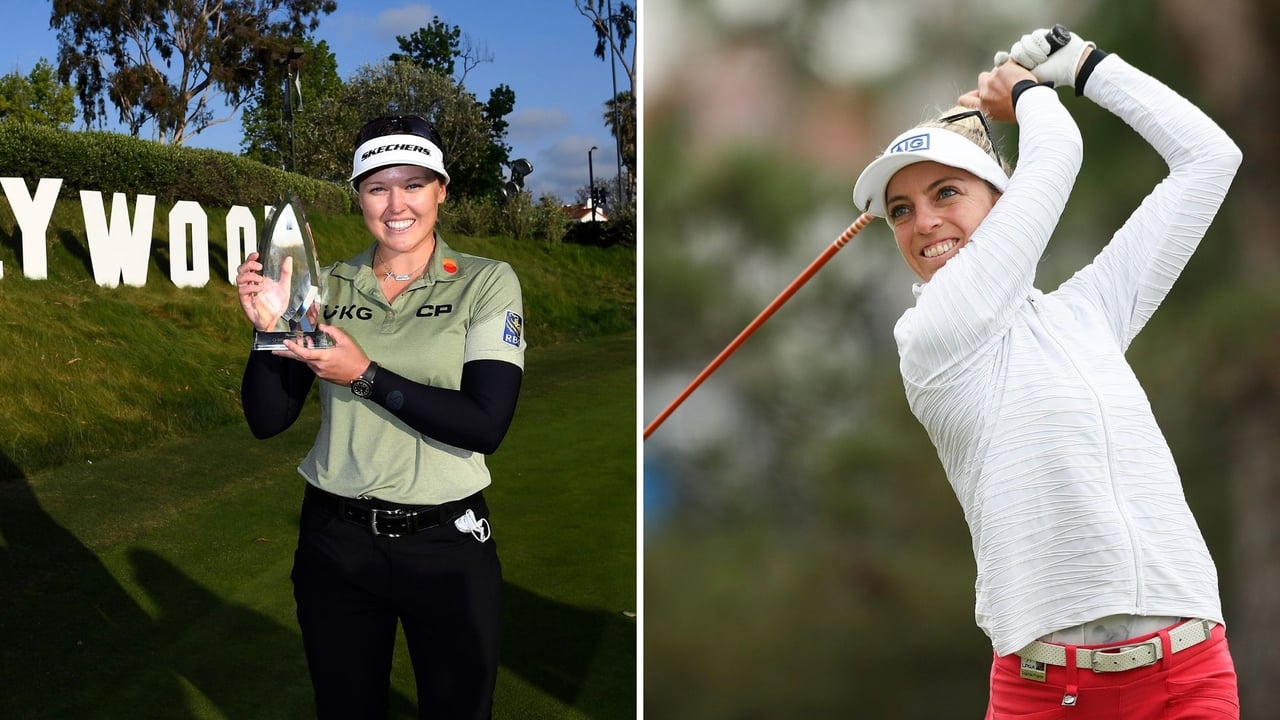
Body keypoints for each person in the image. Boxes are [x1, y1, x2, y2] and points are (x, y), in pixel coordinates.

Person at [851, 26, 1242, 718]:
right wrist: (1026, 90)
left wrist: (1088, 67)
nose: (923, 224)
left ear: (1001, 202)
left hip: (1188, 675)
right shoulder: (931, 335)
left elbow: (1210, 159)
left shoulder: (1087, 314)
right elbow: (1059, 151)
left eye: (947, 193)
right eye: (901, 211)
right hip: (1047, 695)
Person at [234, 115, 526, 719]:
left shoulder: (486, 282)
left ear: (441, 190)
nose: (397, 204)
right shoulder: (327, 284)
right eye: (377, 186)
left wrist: (363, 376)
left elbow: (485, 424)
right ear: (359, 196)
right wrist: (266, 334)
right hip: (336, 544)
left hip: (447, 543)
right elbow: (268, 419)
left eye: (414, 184)